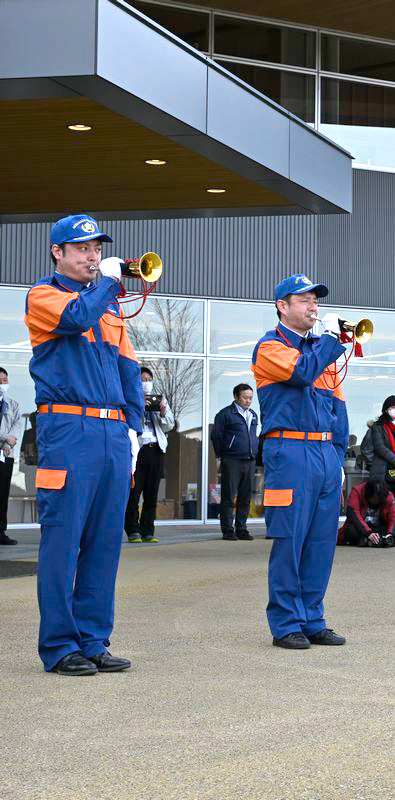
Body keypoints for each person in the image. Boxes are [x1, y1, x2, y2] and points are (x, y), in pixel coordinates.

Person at [27, 213, 142, 675]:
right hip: (68, 429)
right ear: (58, 252)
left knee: (104, 541)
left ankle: (94, 640)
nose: (92, 256)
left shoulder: (108, 305)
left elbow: (128, 369)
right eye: (82, 248)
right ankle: (59, 645)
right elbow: (75, 318)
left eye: (96, 248)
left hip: (111, 432)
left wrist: (133, 427)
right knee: (63, 539)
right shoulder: (43, 295)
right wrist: (107, 286)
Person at [252, 273, 349, 650]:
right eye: (304, 300)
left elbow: (338, 408)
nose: (313, 307)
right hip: (289, 450)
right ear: (282, 306)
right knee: (290, 539)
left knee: (321, 541)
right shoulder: (270, 347)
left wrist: (337, 456)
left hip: (323, 452)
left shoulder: (320, 351)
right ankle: (285, 622)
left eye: (315, 300)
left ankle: (313, 617)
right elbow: (301, 372)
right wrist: (329, 342)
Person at [125, 366, 175, 543]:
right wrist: (140, 407)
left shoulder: (161, 399)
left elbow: (170, 425)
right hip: (138, 450)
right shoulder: (129, 398)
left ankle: (148, 531)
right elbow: (128, 422)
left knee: (152, 493)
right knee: (134, 492)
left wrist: (161, 411)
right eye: (142, 380)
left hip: (156, 449)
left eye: (148, 380)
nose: (145, 383)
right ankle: (132, 530)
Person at [210, 383, 259, 541]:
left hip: (249, 460)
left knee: (245, 497)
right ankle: (227, 530)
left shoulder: (253, 415)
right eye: (245, 397)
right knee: (228, 496)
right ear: (237, 397)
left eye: (251, 398)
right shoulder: (225, 414)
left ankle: (242, 528)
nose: (248, 401)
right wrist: (222, 454)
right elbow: (216, 436)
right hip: (232, 460)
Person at [365, 396, 395, 513]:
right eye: (392, 407)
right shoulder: (378, 427)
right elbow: (380, 448)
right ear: (386, 409)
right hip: (384, 470)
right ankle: (385, 528)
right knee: (384, 502)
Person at [338, 480, 395, 547]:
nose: (377, 501)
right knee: (350, 529)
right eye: (375, 499)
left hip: (381, 528)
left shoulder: (387, 494)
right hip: (361, 529)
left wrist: (391, 533)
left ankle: (378, 540)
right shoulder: (357, 491)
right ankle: (386, 540)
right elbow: (354, 515)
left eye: (379, 499)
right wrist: (368, 533)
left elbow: (394, 515)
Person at [0, 367, 21, 545]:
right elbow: (7, 432)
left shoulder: (12, 404)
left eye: (5, 380)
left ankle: (1, 532)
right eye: (0, 381)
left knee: (2, 494)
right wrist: (6, 437)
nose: (3, 384)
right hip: (4, 445)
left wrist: (8, 443)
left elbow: (16, 425)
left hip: (6, 455)